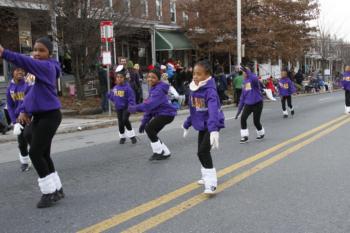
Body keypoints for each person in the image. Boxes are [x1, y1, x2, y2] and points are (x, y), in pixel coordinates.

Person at [0, 37, 64, 208]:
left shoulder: (47, 67)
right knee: (41, 152)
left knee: (35, 153)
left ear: (49, 54)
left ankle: (48, 192)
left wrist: (4, 53)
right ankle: (57, 189)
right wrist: (23, 110)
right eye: (34, 49)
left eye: (41, 50)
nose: (36, 53)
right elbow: (29, 93)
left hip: (50, 115)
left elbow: (24, 60)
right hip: (38, 116)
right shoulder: (33, 74)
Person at [183, 60, 224, 194]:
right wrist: (187, 123)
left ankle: (211, 183)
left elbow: (213, 111)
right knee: (201, 151)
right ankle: (205, 175)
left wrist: (214, 130)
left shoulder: (210, 91)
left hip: (212, 123)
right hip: (202, 124)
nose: (195, 76)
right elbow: (194, 110)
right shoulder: (194, 89)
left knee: (202, 152)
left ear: (207, 76)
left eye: (199, 74)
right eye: (194, 73)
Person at [128, 68, 177, 161]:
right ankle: (166, 152)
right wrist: (144, 122)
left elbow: (148, 105)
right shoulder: (153, 89)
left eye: (153, 77)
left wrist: (134, 108)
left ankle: (158, 152)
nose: (150, 79)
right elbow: (150, 110)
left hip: (167, 114)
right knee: (152, 132)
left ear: (158, 79)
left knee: (150, 129)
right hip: (164, 114)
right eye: (148, 77)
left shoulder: (158, 90)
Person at [6, 66, 31, 171]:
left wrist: (23, 112)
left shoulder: (28, 84)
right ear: (13, 73)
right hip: (18, 119)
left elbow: (29, 101)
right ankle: (25, 162)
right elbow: (10, 106)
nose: (20, 72)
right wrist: (14, 122)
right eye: (17, 70)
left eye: (22, 70)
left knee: (32, 139)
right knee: (21, 143)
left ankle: (41, 159)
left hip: (29, 116)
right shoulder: (10, 88)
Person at [235, 66, 265, 144]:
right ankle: (245, 136)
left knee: (256, 121)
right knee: (243, 118)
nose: (244, 73)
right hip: (248, 104)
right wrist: (238, 111)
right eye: (243, 72)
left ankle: (261, 133)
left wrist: (248, 72)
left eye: (245, 72)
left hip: (258, 103)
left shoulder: (254, 80)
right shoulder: (244, 83)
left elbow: (254, 78)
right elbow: (243, 97)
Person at [108, 65, 137, 144]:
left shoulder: (128, 88)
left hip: (127, 107)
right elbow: (113, 97)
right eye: (117, 77)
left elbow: (132, 99)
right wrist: (109, 95)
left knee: (124, 119)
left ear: (124, 78)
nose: (119, 79)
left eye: (121, 77)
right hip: (119, 108)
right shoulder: (115, 88)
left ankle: (132, 136)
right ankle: (122, 137)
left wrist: (132, 106)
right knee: (120, 122)